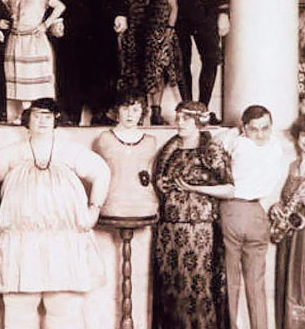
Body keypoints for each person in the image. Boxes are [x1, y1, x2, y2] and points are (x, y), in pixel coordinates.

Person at [0, 97, 109, 329]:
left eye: (47, 116)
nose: (42, 121)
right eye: (36, 115)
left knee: (64, 308)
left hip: (63, 243)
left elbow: (102, 172)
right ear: (27, 119)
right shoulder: (10, 154)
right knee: (19, 308)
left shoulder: (70, 152)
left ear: (55, 120)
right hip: (21, 245)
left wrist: (94, 209)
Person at [152, 101, 233, 329]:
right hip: (169, 230)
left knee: (198, 289)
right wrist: (161, 184)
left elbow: (229, 189)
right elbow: (159, 181)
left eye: (185, 119)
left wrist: (195, 188)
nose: (179, 122)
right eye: (178, 117)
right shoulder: (169, 149)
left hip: (200, 231)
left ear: (198, 122)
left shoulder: (211, 150)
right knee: (171, 288)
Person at [218, 105, 287, 329]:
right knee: (256, 285)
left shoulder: (239, 143)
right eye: (254, 129)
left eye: (264, 129)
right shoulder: (276, 147)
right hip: (258, 213)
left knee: (231, 280)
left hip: (233, 210)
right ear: (246, 128)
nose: (260, 134)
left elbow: (220, 141)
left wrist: (236, 131)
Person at [123, 0, 181, 125]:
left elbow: (173, 6)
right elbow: (125, 1)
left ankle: (156, 111)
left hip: (158, 28)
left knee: (157, 69)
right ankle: (139, 110)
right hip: (135, 27)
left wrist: (169, 29)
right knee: (135, 68)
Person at [5, 0, 65, 123]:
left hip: (33, 42)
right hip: (16, 40)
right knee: (20, 75)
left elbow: (60, 6)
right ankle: (24, 113)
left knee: (33, 75)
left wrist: (45, 24)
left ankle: (37, 113)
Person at [93, 91, 158, 219]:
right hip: (113, 202)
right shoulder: (105, 138)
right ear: (117, 110)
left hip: (144, 203)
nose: (130, 114)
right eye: (125, 109)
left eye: (135, 110)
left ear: (142, 112)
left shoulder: (150, 141)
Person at [274, 115, 305, 329]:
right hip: (291, 231)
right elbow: (285, 197)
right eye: (304, 135)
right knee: (288, 279)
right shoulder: (292, 165)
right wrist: (277, 207)